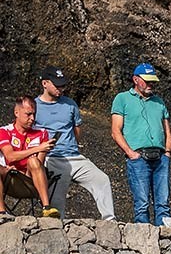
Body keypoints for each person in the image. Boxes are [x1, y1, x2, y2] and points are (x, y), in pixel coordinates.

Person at [34, 67, 115, 220]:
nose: (61, 88)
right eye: (57, 85)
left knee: (102, 179)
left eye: (63, 85)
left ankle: (110, 220)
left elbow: (77, 130)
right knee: (57, 204)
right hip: (52, 158)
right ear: (45, 83)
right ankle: (56, 231)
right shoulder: (34, 106)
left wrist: (72, 146)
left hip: (75, 157)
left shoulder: (70, 104)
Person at [110, 63, 171, 225]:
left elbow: (167, 130)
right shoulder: (122, 98)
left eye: (153, 81)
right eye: (147, 81)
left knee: (163, 203)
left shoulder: (159, 102)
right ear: (136, 79)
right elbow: (115, 131)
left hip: (160, 157)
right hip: (138, 157)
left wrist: (167, 153)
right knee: (142, 203)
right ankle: (143, 243)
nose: (151, 84)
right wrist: (131, 153)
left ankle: (164, 240)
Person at [0, 96, 58, 218]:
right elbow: (10, 157)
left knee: (33, 161)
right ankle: (2, 212)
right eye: (28, 114)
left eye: (34, 114)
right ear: (17, 113)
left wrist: (41, 150)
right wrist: (39, 148)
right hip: (9, 179)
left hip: (30, 180)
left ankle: (46, 207)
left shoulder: (42, 133)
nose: (32, 118)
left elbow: (39, 163)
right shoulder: (4, 131)